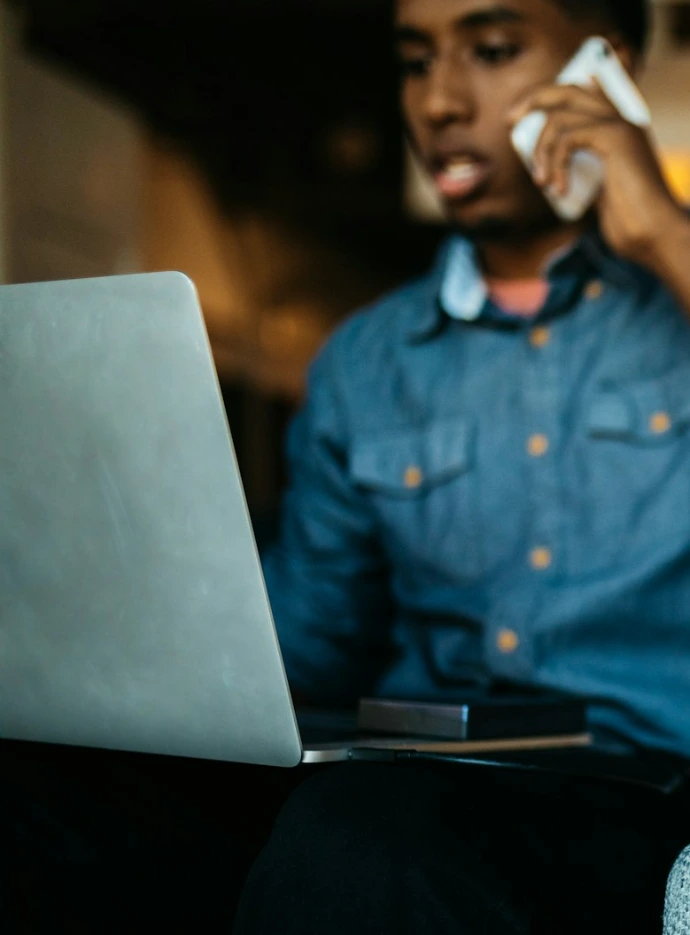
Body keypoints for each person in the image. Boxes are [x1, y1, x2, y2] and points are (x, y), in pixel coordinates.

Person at [230, 0, 690, 932]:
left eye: (490, 49)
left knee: (363, 844)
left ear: (611, 63)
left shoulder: (676, 292)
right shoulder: (363, 361)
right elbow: (308, 643)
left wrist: (662, 232)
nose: (438, 101)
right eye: (413, 60)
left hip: (646, 790)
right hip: (419, 772)